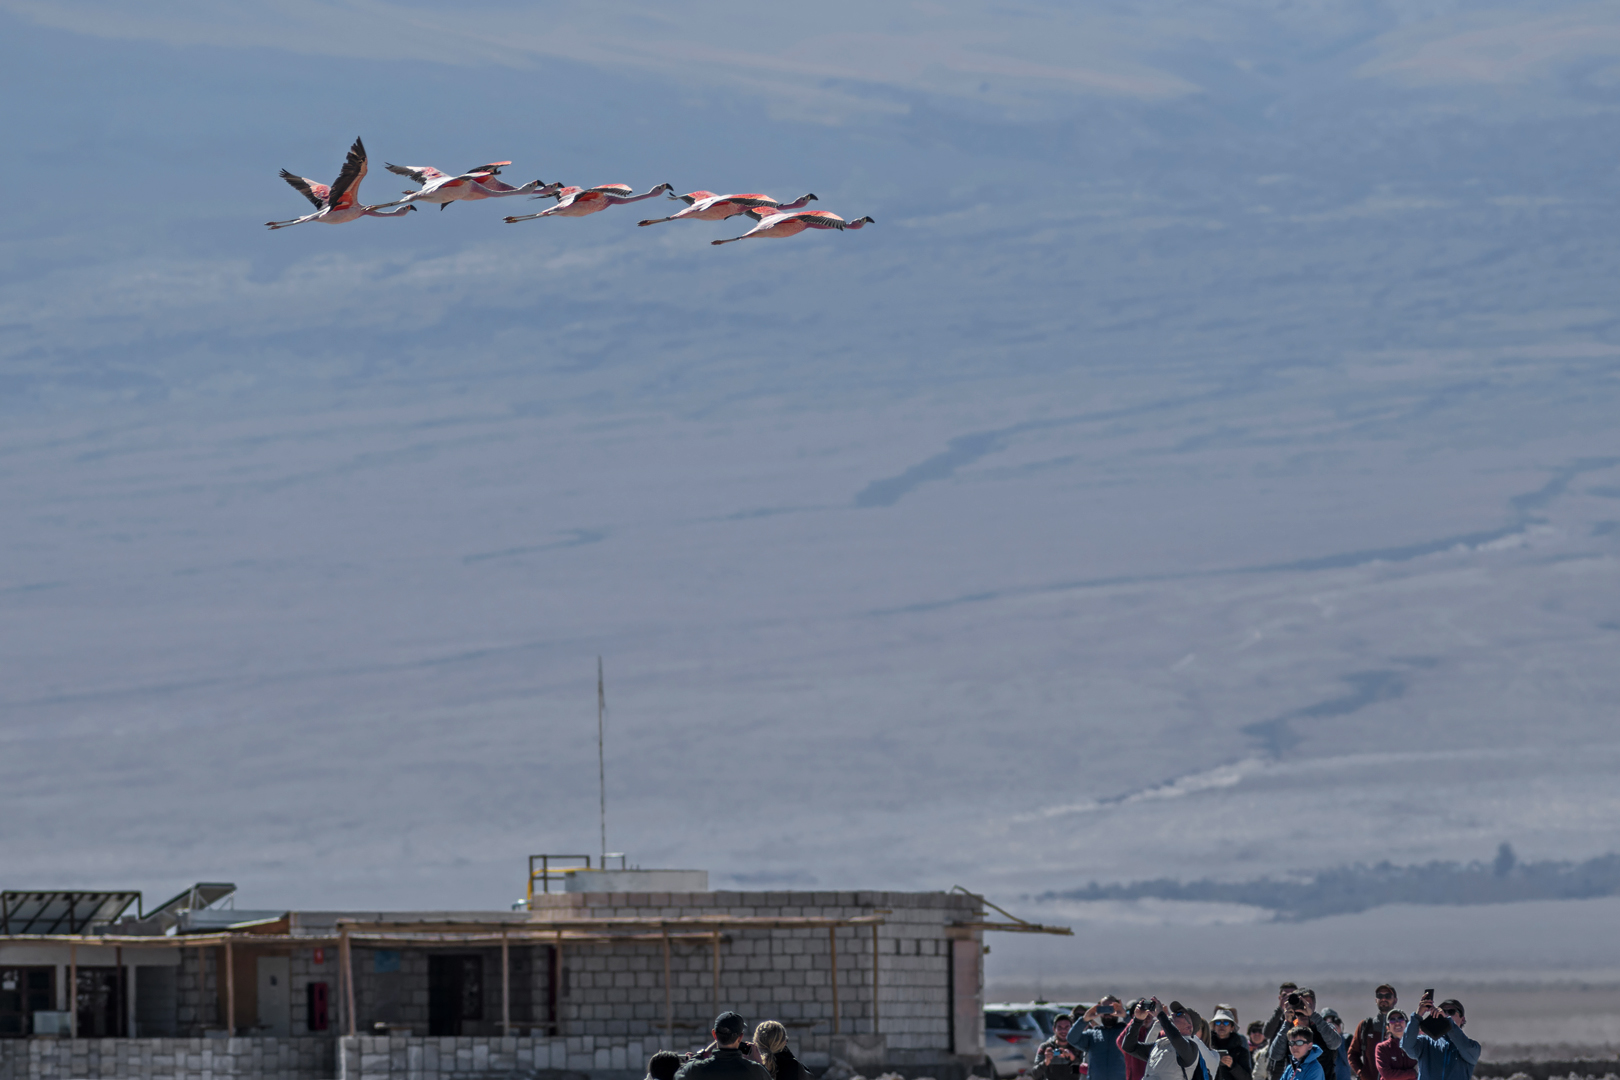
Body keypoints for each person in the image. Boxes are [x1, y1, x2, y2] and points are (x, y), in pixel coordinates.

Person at [1123, 998, 1220, 1080]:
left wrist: (1161, 1015)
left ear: (1189, 1027)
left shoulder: (1191, 1048)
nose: (1172, 1014)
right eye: (1173, 1012)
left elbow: (1177, 1039)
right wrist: (1138, 1020)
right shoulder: (1160, 1044)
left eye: (1179, 1014)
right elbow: (1129, 1047)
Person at [1265, 990, 1341, 1080]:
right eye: (1300, 1004)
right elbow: (1275, 1055)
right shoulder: (1290, 1029)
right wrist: (1287, 1022)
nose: (1304, 1008)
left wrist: (1314, 1016)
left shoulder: (1323, 1027)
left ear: (1314, 1005)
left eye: (1307, 1004)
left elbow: (1335, 1043)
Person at [673, 1012, 774, 1080]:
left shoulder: (694, 1069)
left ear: (714, 1034)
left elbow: (677, 1076)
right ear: (740, 1037)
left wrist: (700, 1055)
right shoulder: (755, 1071)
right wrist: (759, 1065)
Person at [1399, 995, 1479, 1080]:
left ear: (1462, 1019)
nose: (1446, 1014)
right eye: (1443, 1011)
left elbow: (1465, 1046)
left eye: (1451, 1012)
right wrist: (1417, 1016)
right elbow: (1407, 1046)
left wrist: (1448, 1021)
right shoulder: (1426, 1043)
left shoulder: (1473, 1047)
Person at [1070, 996, 1130, 1080]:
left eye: (1111, 1008)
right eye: (1103, 1008)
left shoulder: (1126, 1033)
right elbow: (1072, 1039)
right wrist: (1084, 1019)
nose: (1107, 1013)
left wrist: (1125, 1016)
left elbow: (1141, 1033)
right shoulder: (1092, 1035)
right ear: (1098, 1010)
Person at [1349, 987, 1398, 1080]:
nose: (1383, 999)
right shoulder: (1366, 1026)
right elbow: (1352, 1054)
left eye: (1388, 996)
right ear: (1376, 1000)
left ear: (1395, 1000)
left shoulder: (1402, 1026)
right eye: (1380, 996)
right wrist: (1362, 1074)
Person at [1207, 1007, 1252, 1080]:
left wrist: (1233, 1065)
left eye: (1226, 1022)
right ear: (1214, 1027)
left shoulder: (1240, 1052)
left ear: (1232, 1028)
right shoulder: (1206, 1049)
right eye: (1218, 1022)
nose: (1222, 1025)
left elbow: (1247, 1078)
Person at [1033, 1015, 1083, 1080]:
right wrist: (1045, 1062)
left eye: (1066, 1027)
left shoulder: (1079, 1047)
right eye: (1060, 1027)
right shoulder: (1045, 1047)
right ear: (1054, 1029)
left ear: (1072, 1029)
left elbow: (1085, 1072)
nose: (1063, 1031)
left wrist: (1073, 1059)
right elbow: (1035, 1074)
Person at [1373, 1011, 1416, 1080]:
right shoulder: (1382, 1047)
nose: (1397, 1022)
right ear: (1388, 1028)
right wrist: (1414, 1073)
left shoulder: (1416, 1044)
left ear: (1407, 1024)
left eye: (1400, 1019)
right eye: (1392, 1020)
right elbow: (1387, 1075)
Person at [1320, 1010, 1352, 1080]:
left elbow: (1348, 1060)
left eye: (1333, 1022)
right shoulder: (1318, 1040)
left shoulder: (1347, 1038)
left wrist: (1337, 1035)